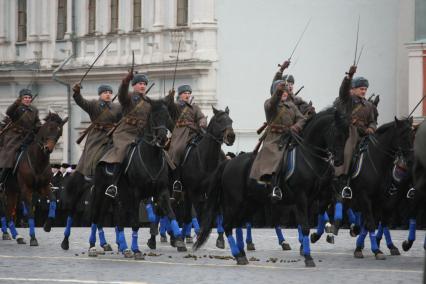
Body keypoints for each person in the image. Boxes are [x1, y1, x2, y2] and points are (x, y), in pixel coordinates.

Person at [100, 71, 153, 198]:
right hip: (125, 132)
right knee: (123, 150)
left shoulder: (149, 102)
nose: (143, 86)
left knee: (162, 153)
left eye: (144, 84)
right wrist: (125, 81)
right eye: (140, 83)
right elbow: (122, 94)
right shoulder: (128, 97)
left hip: (141, 134)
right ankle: (114, 184)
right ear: (134, 85)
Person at [250, 81, 306, 201]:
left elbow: (302, 119)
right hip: (274, 138)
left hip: (290, 137)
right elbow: (272, 103)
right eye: (282, 91)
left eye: (286, 91)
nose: (285, 93)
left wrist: (295, 127)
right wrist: (278, 91)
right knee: (276, 155)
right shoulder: (269, 104)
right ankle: (275, 186)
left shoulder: (292, 106)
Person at [333, 65, 377, 198]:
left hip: (365, 134)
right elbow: (343, 91)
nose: (364, 91)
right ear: (354, 89)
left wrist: (371, 128)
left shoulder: (369, 106)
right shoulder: (347, 101)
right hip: (350, 132)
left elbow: (373, 121)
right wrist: (349, 77)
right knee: (348, 149)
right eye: (361, 89)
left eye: (365, 89)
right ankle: (343, 177)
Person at [71, 83, 121, 179]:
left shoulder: (117, 107)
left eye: (110, 92)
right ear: (100, 94)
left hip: (112, 135)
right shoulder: (94, 104)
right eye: (105, 92)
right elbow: (81, 102)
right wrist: (77, 93)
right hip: (97, 136)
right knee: (93, 154)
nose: (108, 94)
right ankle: (90, 173)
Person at [167, 84, 207, 195]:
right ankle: (176, 180)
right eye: (185, 93)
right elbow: (169, 107)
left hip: (194, 132)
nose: (187, 95)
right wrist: (170, 96)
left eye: (189, 93)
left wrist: (202, 122)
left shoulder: (195, 107)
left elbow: (201, 117)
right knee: (176, 150)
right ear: (180, 95)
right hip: (180, 134)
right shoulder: (176, 107)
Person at [0, 89, 41, 190]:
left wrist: (40, 127)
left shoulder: (34, 110)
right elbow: (9, 112)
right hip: (15, 136)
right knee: (10, 154)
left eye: (29, 98)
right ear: (21, 99)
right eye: (25, 98)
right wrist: (16, 103)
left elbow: (37, 122)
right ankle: (2, 180)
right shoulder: (17, 108)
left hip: (29, 136)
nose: (28, 99)